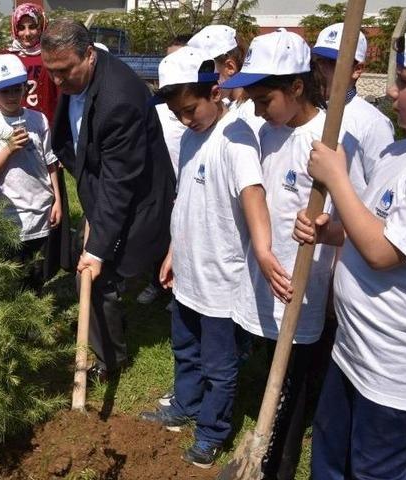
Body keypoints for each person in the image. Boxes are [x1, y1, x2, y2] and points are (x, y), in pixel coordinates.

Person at [295, 20, 406, 480]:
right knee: (331, 464)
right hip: (352, 352)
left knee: (379, 471)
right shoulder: (400, 153)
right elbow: (371, 228)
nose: (392, 92)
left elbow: (383, 253)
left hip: (396, 373)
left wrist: (337, 177)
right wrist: (332, 231)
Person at [220, 29, 352, 479]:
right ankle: (260, 447)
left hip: (304, 285)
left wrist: (324, 226)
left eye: (265, 99)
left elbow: (350, 221)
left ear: (297, 87)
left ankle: (278, 464)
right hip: (266, 273)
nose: (257, 109)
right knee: (266, 371)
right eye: (252, 99)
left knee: (293, 385)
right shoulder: (266, 130)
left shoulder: (327, 142)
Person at [137, 46, 278, 468]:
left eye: (190, 108)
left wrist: (265, 251)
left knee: (219, 364)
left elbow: (253, 194)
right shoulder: (190, 138)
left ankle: (213, 430)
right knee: (185, 347)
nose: (184, 118)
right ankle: (185, 403)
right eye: (177, 111)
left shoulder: (235, 138)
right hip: (189, 274)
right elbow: (187, 202)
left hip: (221, 280)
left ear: (215, 92)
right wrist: (173, 252)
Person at [42, 20, 175, 381]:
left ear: (89, 55)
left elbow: (120, 184)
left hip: (137, 198)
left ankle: (108, 361)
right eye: (50, 72)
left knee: (101, 276)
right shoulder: (75, 77)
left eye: (64, 71)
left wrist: (98, 247)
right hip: (106, 185)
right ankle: (106, 333)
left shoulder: (120, 99)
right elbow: (75, 142)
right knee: (96, 268)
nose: (56, 82)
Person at [0, 54, 61, 293]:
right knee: (10, 272)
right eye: (5, 92)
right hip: (9, 214)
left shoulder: (38, 119)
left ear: (25, 87)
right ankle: (12, 320)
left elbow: (50, 162)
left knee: (36, 273)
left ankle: (33, 321)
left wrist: (57, 200)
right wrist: (9, 149)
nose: (12, 96)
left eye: (16, 89)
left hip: (40, 209)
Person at [311, 23, 395, 197]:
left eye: (332, 63)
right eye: (318, 60)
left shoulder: (373, 123)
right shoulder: (306, 111)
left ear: (357, 70)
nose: (321, 69)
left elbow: (382, 191)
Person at [139, 34, 192, 306]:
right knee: (162, 232)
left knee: (185, 234)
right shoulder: (155, 107)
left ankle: (180, 287)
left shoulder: (197, 108)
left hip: (190, 181)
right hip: (162, 181)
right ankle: (156, 280)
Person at [189, 24, 264, 138]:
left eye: (205, 71)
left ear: (230, 67)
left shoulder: (251, 113)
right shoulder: (229, 106)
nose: (198, 81)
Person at [0, 3, 58, 122]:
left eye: (32, 27)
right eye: (21, 28)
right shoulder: (5, 57)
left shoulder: (53, 56)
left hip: (46, 124)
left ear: (41, 27)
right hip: (14, 124)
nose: (27, 34)